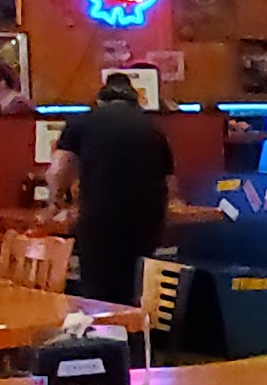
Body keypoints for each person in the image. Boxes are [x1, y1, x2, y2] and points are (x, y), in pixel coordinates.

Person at [47, 81, 176, 305]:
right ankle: (134, 325)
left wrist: (55, 202)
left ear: (99, 102)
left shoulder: (83, 121)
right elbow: (170, 181)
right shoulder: (152, 127)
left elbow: (58, 170)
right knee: (136, 289)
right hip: (146, 220)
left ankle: (106, 326)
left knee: (99, 295)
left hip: (101, 219)